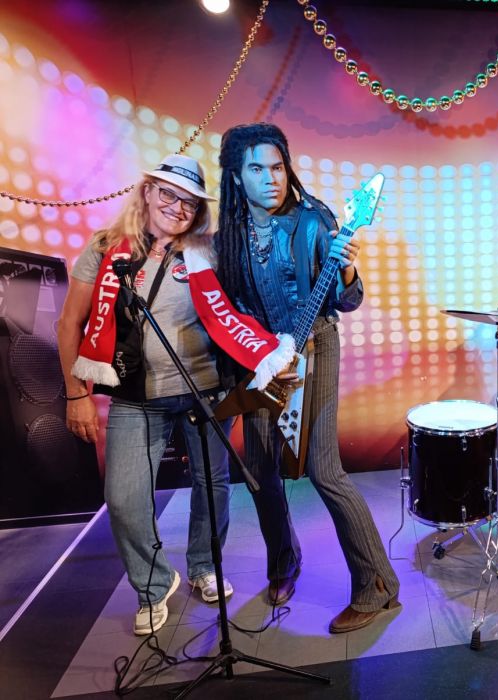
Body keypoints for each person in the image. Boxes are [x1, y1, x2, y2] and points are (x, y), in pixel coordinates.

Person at [58, 154, 295, 635]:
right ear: (147, 192)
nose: (177, 206)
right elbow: (69, 324)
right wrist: (74, 393)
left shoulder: (209, 252)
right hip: (136, 396)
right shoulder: (105, 248)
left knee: (212, 486)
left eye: (189, 201)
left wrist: (269, 357)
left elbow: (239, 313)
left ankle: (204, 566)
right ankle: (154, 583)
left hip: (206, 392)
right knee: (123, 498)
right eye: (167, 193)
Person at [214, 122, 400, 633]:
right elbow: (229, 310)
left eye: (277, 167)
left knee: (324, 470)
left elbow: (347, 300)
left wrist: (346, 269)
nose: (271, 178)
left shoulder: (315, 221)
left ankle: (377, 584)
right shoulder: (227, 237)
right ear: (237, 176)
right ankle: (283, 562)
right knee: (259, 470)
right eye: (257, 169)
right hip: (258, 359)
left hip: (315, 345)